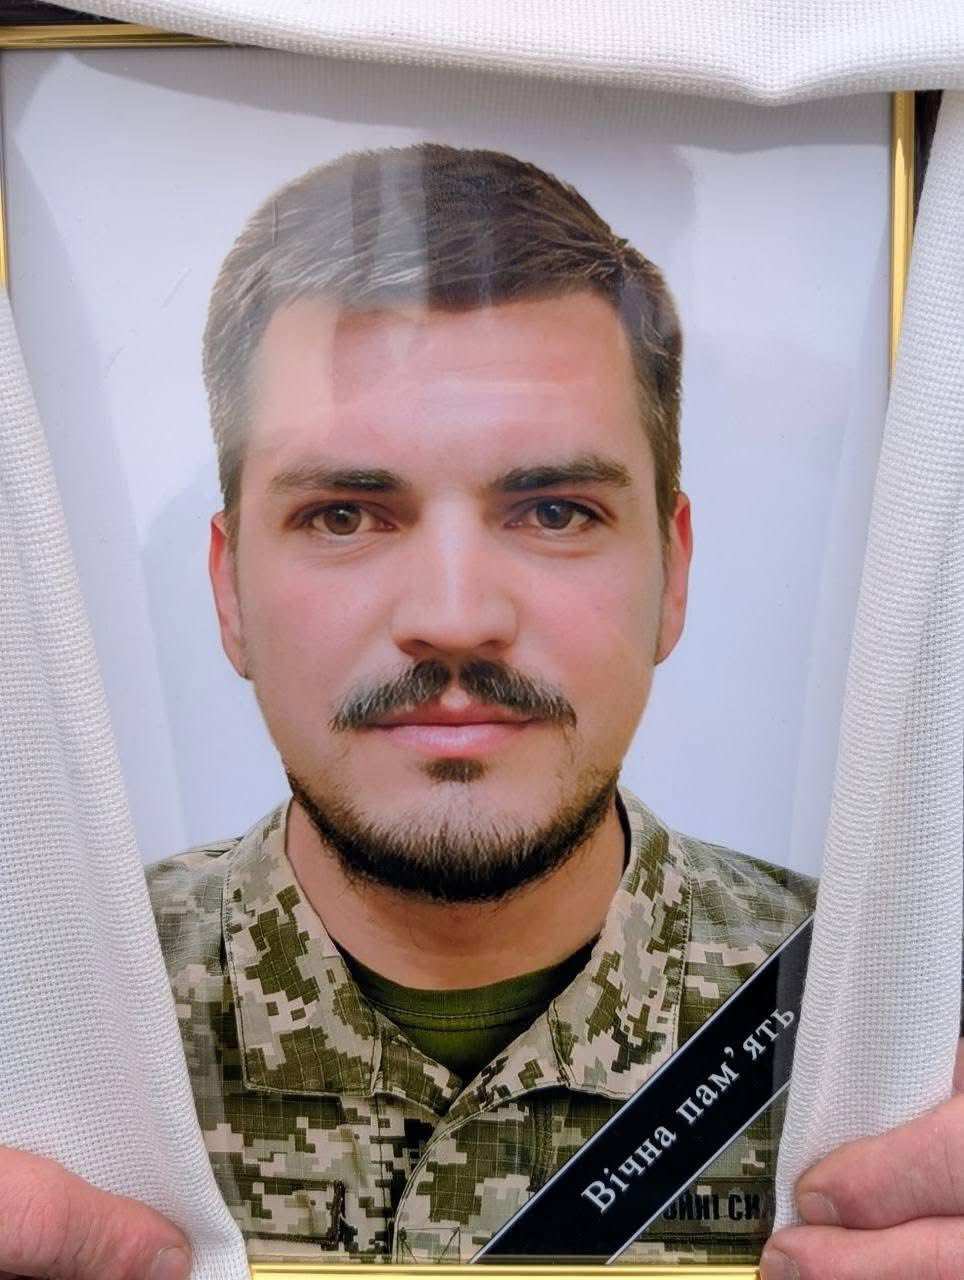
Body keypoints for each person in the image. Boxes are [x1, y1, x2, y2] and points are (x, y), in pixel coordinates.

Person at [1, 144, 962, 1280]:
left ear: (674, 574)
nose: (454, 619)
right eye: (344, 515)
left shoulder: (902, 1022)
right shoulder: (36, 1024)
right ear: (229, 591)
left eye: (553, 511)